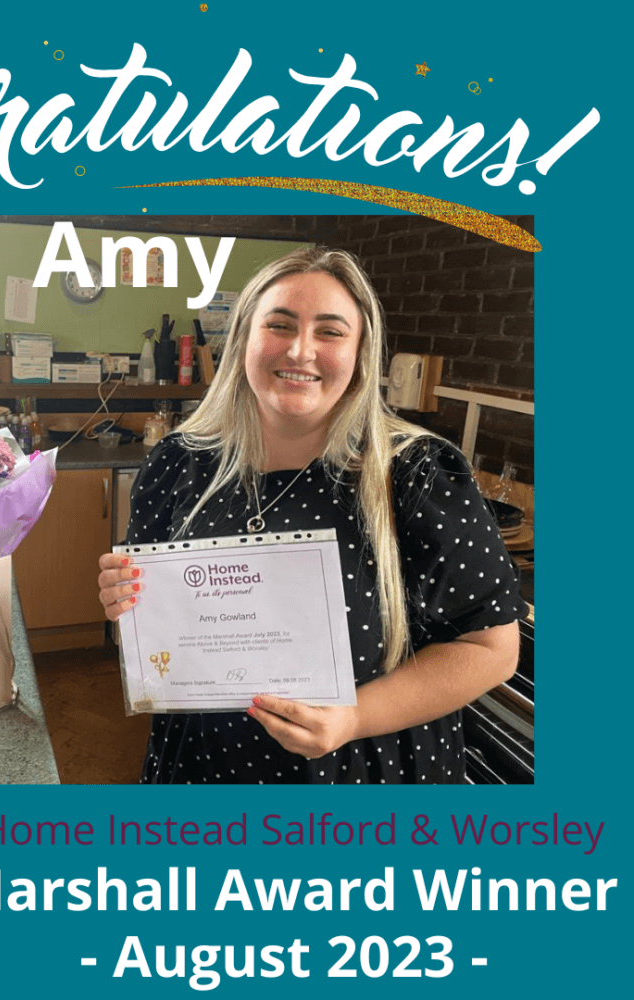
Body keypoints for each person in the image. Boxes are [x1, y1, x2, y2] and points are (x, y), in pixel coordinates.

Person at [98, 248, 525, 784]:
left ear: (359, 353)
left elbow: (491, 648)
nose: (301, 350)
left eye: (330, 331)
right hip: (203, 766)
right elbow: (156, 616)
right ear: (243, 341)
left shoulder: (416, 474)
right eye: (279, 325)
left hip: (362, 772)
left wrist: (353, 717)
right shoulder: (179, 464)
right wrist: (129, 600)